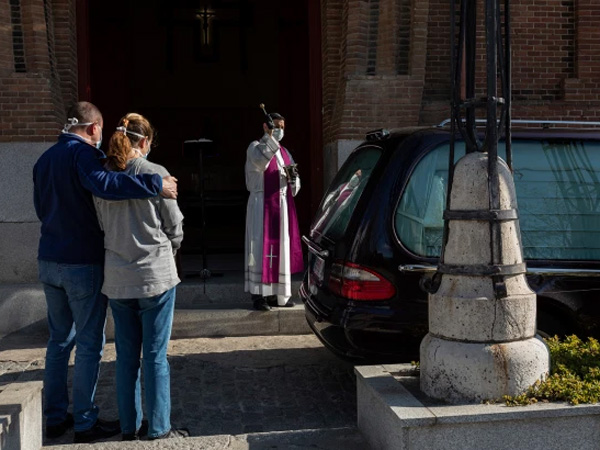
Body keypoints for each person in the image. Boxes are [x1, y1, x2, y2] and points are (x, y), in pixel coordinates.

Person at [33, 101, 178, 444]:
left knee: (58, 341)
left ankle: (55, 417)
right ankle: (85, 422)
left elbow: (41, 208)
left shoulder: (43, 159)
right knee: (89, 344)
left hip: (50, 258)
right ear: (94, 128)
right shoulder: (85, 157)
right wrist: (154, 184)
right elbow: (107, 186)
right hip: (83, 261)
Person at [93, 113, 189, 441]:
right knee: (154, 355)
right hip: (154, 275)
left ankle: (128, 426)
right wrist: (171, 248)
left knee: (125, 356)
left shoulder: (102, 178)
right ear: (144, 142)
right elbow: (174, 224)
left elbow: (102, 225)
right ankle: (159, 427)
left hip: (119, 277)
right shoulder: (155, 173)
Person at [244, 112, 304, 311]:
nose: (280, 131)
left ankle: (278, 296)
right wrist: (269, 138)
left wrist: (293, 179)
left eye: (283, 127)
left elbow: (295, 180)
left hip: (281, 205)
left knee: (281, 249)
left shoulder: (285, 152)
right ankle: (259, 296)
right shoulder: (255, 147)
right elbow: (261, 161)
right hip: (262, 205)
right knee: (260, 248)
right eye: (276, 126)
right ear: (266, 126)